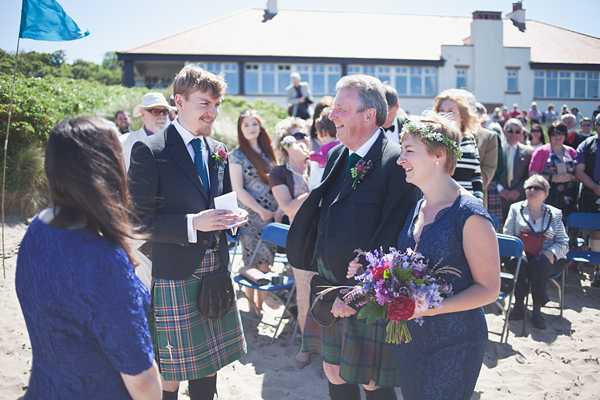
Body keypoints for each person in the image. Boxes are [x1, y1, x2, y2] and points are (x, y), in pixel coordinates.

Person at [286, 74, 420, 400]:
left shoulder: (395, 163)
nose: (332, 116)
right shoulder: (337, 155)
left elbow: (397, 236)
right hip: (328, 281)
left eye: (341, 109)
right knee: (332, 370)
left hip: (366, 291)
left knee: (371, 379)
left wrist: (360, 292)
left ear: (369, 115)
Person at [16, 117, 162, 399]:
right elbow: (142, 379)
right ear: (106, 169)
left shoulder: (38, 228)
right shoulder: (102, 260)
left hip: (45, 388)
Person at [128, 65, 248, 400]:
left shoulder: (218, 151)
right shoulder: (150, 151)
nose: (212, 112)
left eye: (216, 105)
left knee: (209, 364)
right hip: (175, 274)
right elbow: (137, 221)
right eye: (204, 104)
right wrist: (192, 223)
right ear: (179, 101)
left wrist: (234, 220)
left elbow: (221, 206)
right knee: (172, 369)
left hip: (217, 270)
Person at [392, 112, 500, 399]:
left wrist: (430, 308)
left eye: (409, 151)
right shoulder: (418, 206)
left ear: (439, 155)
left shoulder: (469, 213)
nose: (400, 159)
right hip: (411, 338)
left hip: (457, 341)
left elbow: (490, 289)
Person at [269, 117, 313, 368]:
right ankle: (306, 348)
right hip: (301, 239)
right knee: (305, 295)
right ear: (285, 143)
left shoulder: (319, 164)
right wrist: (316, 190)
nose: (303, 140)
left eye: (305, 135)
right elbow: (287, 207)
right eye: (297, 136)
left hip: (328, 237)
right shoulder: (279, 172)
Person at [229, 110, 281, 311]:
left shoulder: (269, 151)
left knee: (266, 261)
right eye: (246, 125)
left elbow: (277, 182)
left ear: (260, 127)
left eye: (254, 124)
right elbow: (238, 189)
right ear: (241, 129)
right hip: (250, 216)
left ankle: (261, 304)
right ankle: (253, 307)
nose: (251, 128)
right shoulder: (236, 155)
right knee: (251, 261)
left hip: (271, 216)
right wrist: (259, 210)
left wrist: (277, 209)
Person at [503, 175, 569, 329]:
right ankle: (519, 305)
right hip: (521, 256)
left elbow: (563, 243)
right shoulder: (515, 209)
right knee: (521, 263)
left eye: (537, 188)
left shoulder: (555, 214)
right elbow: (508, 236)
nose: (532, 190)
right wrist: (518, 250)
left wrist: (551, 253)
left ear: (546, 194)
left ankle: (537, 309)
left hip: (546, 260)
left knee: (539, 263)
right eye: (529, 188)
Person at [434, 89, 484, 202]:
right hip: (441, 203)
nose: (444, 114)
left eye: (450, 111)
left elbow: (476, 175)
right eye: (441, 110)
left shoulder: (470, 140)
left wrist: (479, 201)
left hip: (468, 205)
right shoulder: (434, 141)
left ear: (462, 116)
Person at [529, 121, 578, 219]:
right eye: (554, 134)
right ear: (549, 135)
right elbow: (532, 175)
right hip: (548, 198)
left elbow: (579, 173)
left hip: (569, 198)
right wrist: (552, 178)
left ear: (565, 135)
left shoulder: (572, 152)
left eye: (560, 134)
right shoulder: (541, 152)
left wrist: (572, 177)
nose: (557, 137)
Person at [574, 114, 600, 287]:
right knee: (595, 232)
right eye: (599, 122)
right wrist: (596, 188)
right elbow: (579, 171)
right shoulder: (587, 144)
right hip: (591, 195)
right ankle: (597, 270)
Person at [120, 92, 174, 171]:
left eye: (165, 112)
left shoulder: (173, 142)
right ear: (143, 114)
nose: (162, 116)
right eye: (156, 111)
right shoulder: (125, 142)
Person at [498, 118, 534, 221]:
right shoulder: (496, 149)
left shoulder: (529, 152)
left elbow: (529, 174)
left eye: (517, 131)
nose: (513, 134)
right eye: (510, 131)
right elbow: (490, 171)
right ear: (504, 132)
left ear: (521, 133)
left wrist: (518, 190)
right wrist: (500, 189)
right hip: (500, 198)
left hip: (520, 198)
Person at [473, 100, 499, 209]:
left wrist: (463, 188)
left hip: (475, 196)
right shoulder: (451, 134)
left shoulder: (489, 137)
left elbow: (489, 169)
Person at [308, 107, 340, 189]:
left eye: (317, 131)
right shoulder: (339, 144)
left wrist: (314, 156)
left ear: (322, 131)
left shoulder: (332, 146)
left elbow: (328, 161)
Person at [486, 122, 506, 230]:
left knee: (493, 226)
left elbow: (500, 167)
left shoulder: (495, 139)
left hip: (492, 184)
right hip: (479, 184)